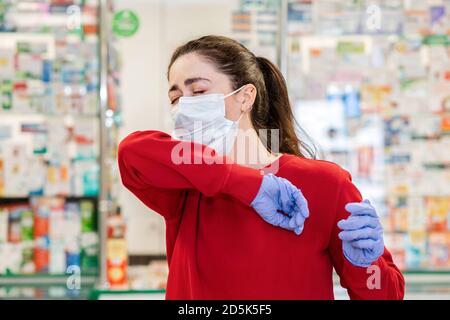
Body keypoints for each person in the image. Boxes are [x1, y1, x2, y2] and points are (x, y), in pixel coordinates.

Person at [118, 35, 404, 299]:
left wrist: (365, 267)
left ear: (245, 96)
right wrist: (251, 186)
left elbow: (386, 295)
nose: (184, 107)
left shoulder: (325, 183)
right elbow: (131, 151)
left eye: (199, 90)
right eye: (176, 98)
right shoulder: (186, 184)